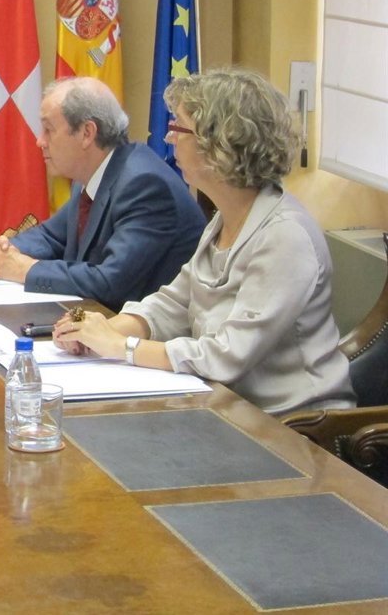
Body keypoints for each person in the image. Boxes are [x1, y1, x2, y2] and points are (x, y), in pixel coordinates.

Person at [54, 68, 355, 416]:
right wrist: (98, 331)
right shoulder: (225, 217)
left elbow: (227, 356)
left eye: (179, 128)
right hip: (224, 403)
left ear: (221, 143)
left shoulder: (286, 237)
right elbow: (175, 303)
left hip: (293, 424)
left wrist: (122, 346)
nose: (168, 138)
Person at [0, 77, 204, 311]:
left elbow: (111, 281)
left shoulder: (145, 185)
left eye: (49, 130)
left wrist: (25, 269)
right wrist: (4, 252)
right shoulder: (94, 173)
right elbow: (51, 236)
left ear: (87, 133)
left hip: (145, 328)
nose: (39, 141)